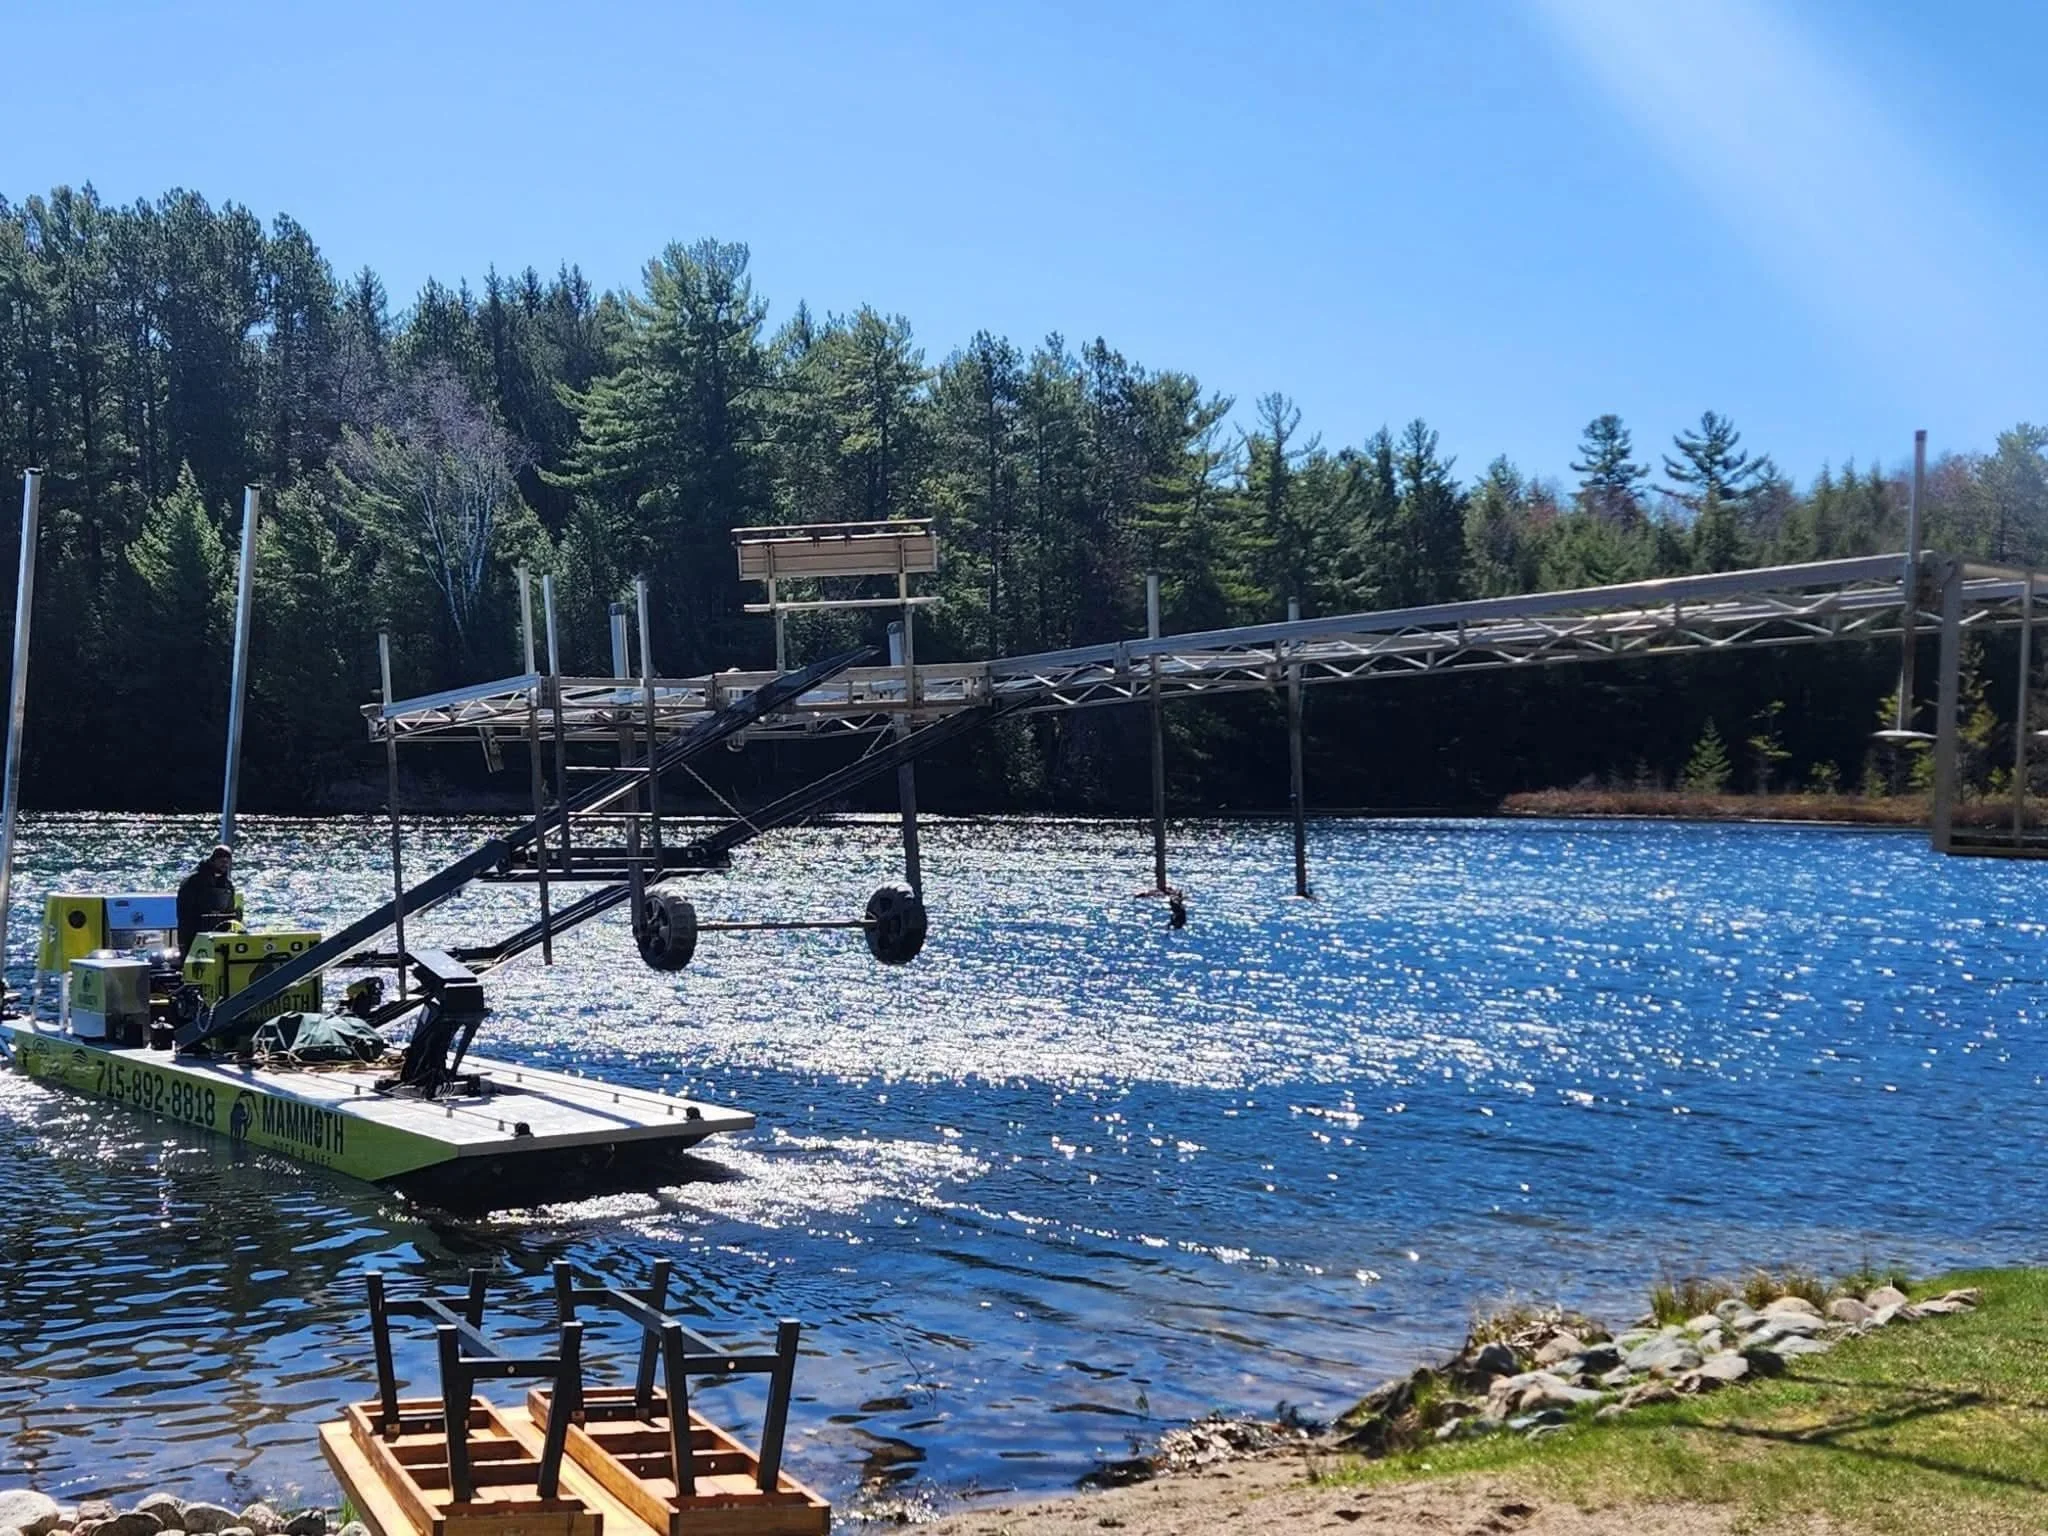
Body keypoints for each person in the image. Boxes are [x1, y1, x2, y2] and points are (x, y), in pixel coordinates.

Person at [176, 843, 242, 955]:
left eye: (227, 862)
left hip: (218, 932)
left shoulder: (227, 884)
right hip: (193, 931)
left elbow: (229, 909)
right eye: (221, 862)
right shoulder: (193, 881)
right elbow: (184, 910)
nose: (224, 865)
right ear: (213, 860)